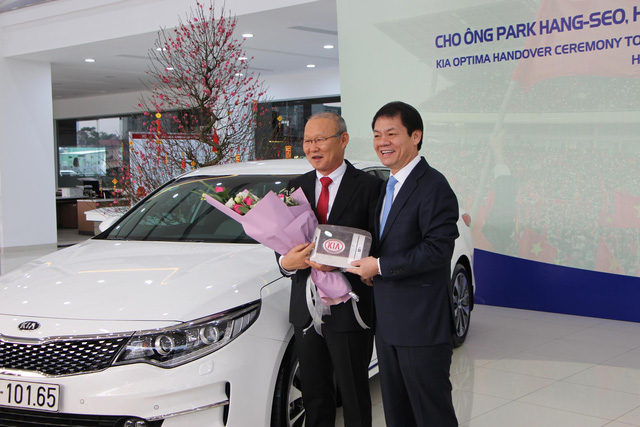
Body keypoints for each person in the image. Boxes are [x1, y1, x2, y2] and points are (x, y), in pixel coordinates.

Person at [348, 101, 460, 427]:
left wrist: (380, 266)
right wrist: (369, 268)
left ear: (415, 136)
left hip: (421, 325)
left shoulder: (434, 186)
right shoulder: (389, 185)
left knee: (431, 415)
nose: (383, 142)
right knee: (398, 414)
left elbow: (437, 250)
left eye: (392, 133)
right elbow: (388, 241)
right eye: (377, 134)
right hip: (388, 322)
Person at [279, 111, 382, 427]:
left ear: (343, 139)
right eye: (307, 141)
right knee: (314, 394)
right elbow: (281, 241)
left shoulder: (370, 187)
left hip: (350, 306)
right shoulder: (295, 188)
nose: (313, 147)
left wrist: (341, 263)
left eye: (321, 139)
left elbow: (379, 245)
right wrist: (285, 263)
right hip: (306, 307)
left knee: (353, 393)